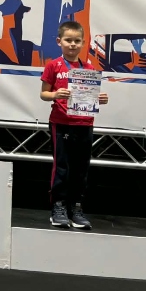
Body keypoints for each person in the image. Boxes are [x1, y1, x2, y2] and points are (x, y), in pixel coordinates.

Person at [40, 21, 109, 229]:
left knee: (81, 168)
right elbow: (43, 94)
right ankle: (58, 207)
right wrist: (55, 94)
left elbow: (90, 96)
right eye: (68, 40)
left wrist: (100, 99)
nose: (72, 44)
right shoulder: (53, 66)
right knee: (61, 166)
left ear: (83, 43)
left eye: (77, 41)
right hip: (61, 122)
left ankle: (76, 207)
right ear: (59, 41)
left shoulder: (88, 68)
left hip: (85, 122)